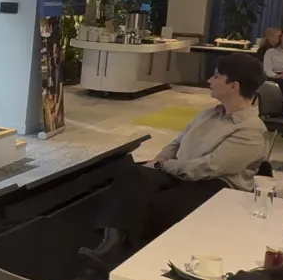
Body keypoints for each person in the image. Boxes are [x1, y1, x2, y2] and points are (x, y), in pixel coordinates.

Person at [80, 53, 268, 266]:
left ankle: (131, 258)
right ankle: (109, 247)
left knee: (158, 205)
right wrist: (159, 159)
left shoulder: (251, 130)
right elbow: (177, 142)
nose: (209, 80)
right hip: (181, 173)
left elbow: (209, 167)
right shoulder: (209, 114)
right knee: (133, 174)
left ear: (234, 86)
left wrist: (163, 165)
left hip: (215, 186)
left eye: (216, 76)